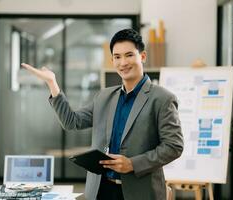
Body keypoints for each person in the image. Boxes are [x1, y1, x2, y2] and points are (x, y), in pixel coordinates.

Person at [22, 29, 184, 200]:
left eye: (129, 55)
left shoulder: (163, 98)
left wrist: (132, 164)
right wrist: (52, 83)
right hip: (100, 190)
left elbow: (174, 146)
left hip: (140, 192)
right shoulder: (104, 96)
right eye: (117, 57)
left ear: (142, 56)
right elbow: (71, 122)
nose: (123, 62)